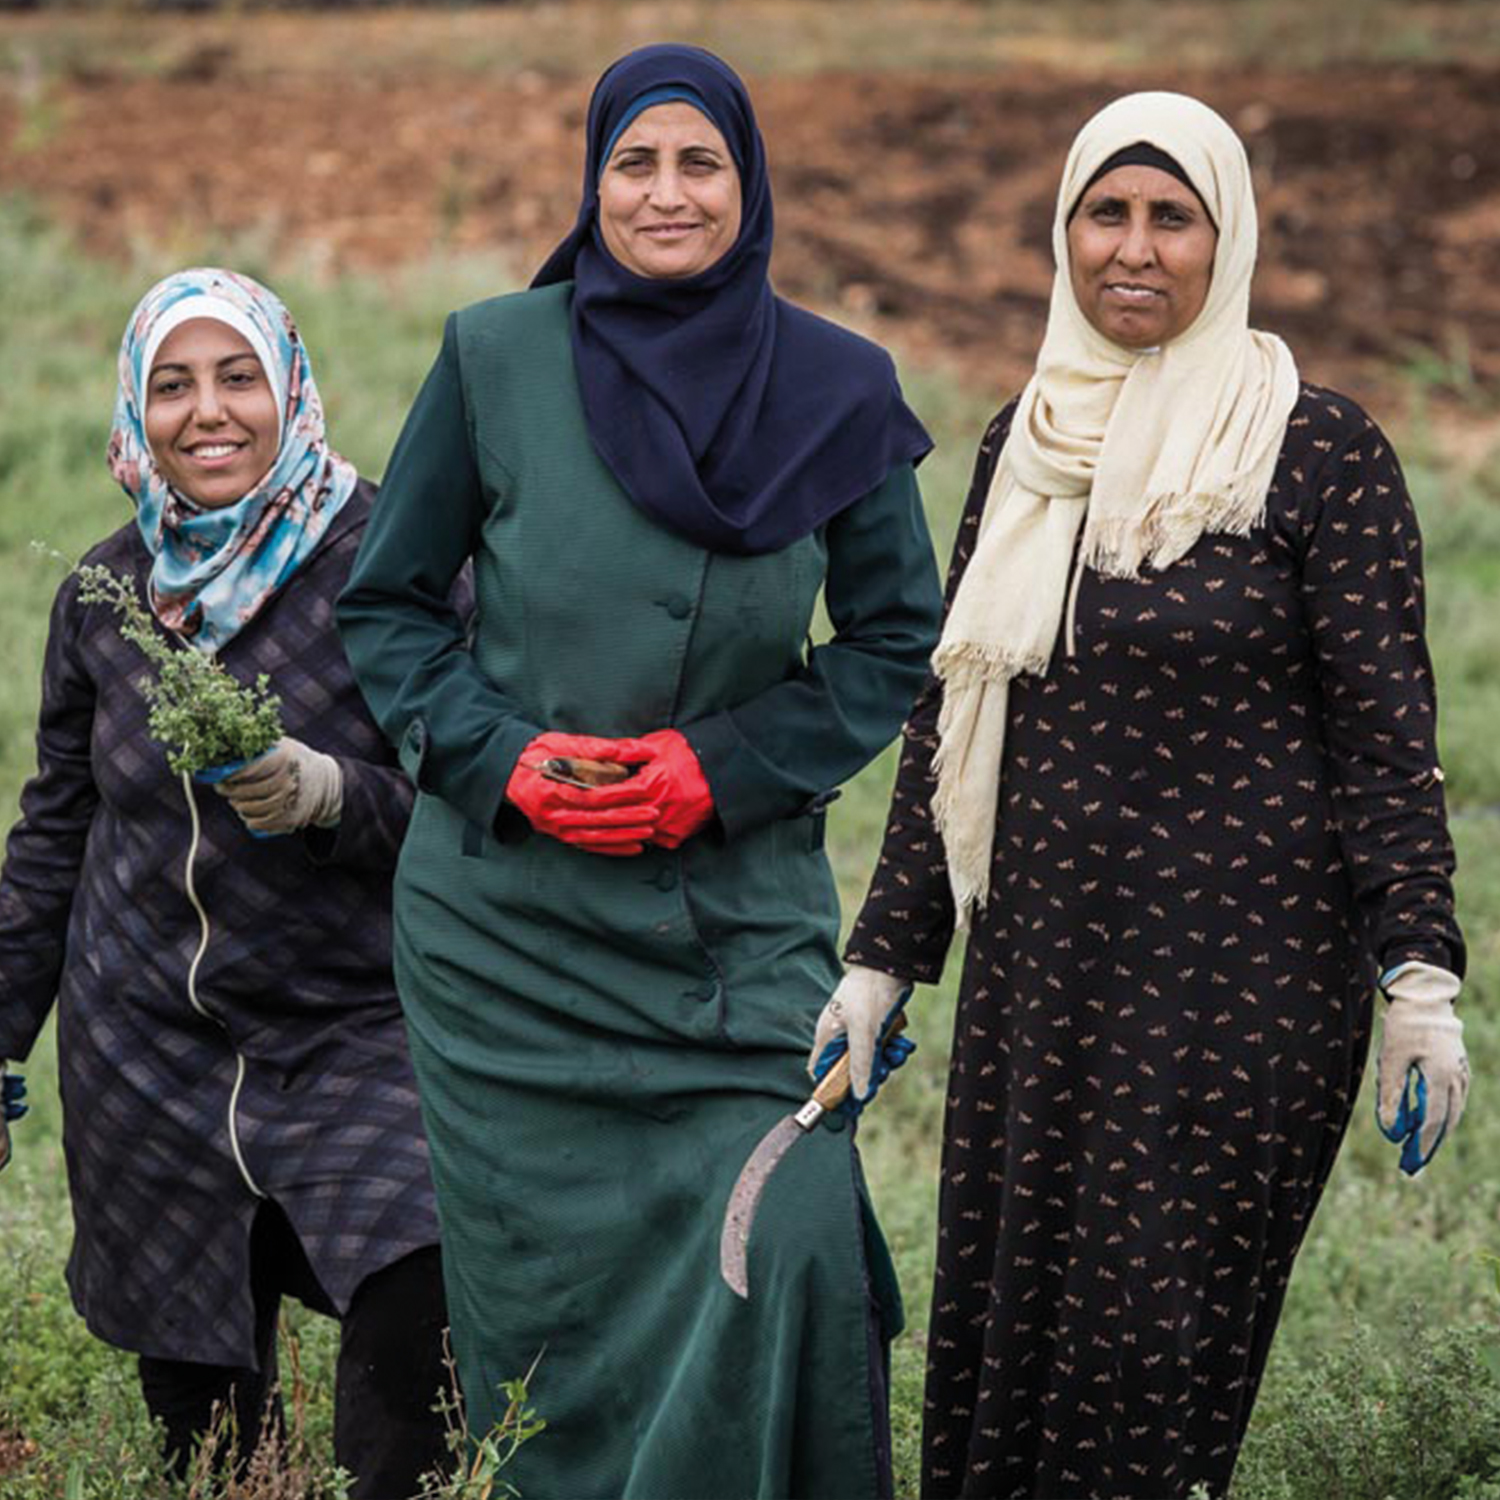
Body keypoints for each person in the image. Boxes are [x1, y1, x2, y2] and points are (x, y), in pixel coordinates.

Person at [812, 91, 1469, 1500]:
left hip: (1238, 1003)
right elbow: (956, 711)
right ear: (1064, 233)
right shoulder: (1026, 443)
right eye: (1104, 213)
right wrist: (883, 962)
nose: (1133, 248)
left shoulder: (1318, 453)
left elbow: (1386, 742)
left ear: (1225, 241)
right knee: (1001, 1358)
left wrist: (1419, 981)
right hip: (1040, 986)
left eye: (1172, 218)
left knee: (1151, 1373)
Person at [336, 43, 943, 1500]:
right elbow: (391, 605)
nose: (666, 195)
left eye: (700, 163)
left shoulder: (841, 387)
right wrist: (506, 762)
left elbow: (896, 636)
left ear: (750, 182)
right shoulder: (495, 355)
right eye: (634, 163)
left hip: (731, 941)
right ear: (593, 179)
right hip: (510, 951)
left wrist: (718, 772)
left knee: (790, 1235)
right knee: (549, 1316)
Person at [0, 268, 455, 1497]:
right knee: (207, 1444)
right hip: (146, 1050)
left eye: (239, 376)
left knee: (426, 1319)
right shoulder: (107, 598)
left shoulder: (389, 571)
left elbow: (472, 809)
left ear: (292, 387)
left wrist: (330, 795)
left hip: (355, 1027)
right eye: (173, 385)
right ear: (132, 410)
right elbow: (57, 828)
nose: (209, 412)